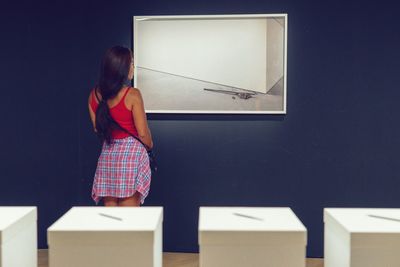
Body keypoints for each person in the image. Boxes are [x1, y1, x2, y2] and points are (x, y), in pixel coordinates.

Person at [88, 46, 153, 207]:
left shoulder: (94, 95)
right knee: (129, 223)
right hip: (131, 156)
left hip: (108, 157)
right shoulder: (132, 94)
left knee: (111, 223)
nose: (133, 67)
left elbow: (98, 129)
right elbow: (143, 133)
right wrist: (150, 145)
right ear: (122, 67)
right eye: (131, 63)